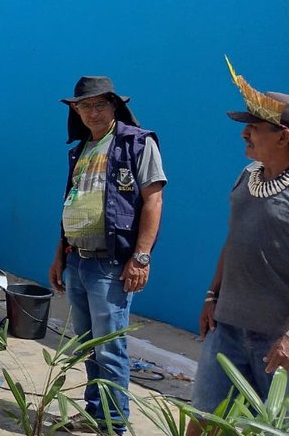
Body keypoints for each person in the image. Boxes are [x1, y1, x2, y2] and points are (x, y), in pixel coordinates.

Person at [47, 76, 166, 433]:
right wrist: (59, 256)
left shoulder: (136, 144)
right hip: (77, 260)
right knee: (87, 346)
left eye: (100, 104)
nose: (93, 112)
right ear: (76, 110)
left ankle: (114, 424)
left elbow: (153, 199)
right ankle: (95, 414)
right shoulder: (81, 149)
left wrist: (141, 257)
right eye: (85, 106)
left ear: (114, 106)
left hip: (110, 264)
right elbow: (73, 203)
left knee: (110, 347)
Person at [188, 72, 289, 436]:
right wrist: (212, 294)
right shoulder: (248, 176)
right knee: (204, 419)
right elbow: (234, 240)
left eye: (255, 126)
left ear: (283, 135)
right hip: (227, 328)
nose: (245, 133)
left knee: (272, 427)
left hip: (275, 341)